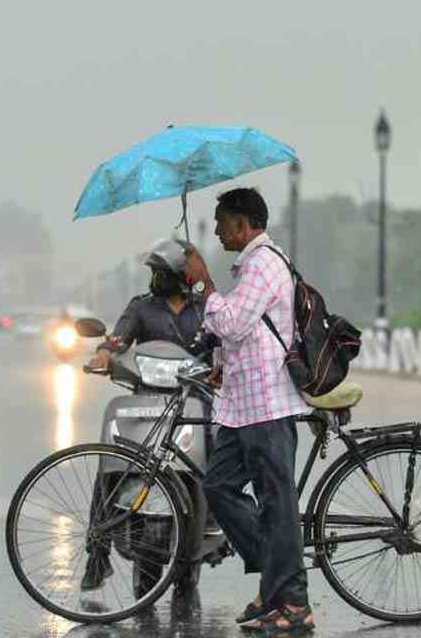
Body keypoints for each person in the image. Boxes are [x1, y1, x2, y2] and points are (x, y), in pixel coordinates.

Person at [183, 187, 315, 636]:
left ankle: (293, 602)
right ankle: (274, 578)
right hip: (242, 406)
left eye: (222, 221)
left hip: (267, 404)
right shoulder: (250, 266)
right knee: (217, 486)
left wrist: (202, 286)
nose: (217, 229)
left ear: (243, 223)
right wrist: (220, 363)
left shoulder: (263, 263)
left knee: (278, 505)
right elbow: (245, 333)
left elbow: (234, 322)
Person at [79, 237, 219, 591]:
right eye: (153, 272)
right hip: (146, 401)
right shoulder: (141, 308)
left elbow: (225, 343)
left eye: (161, 272)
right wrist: (104, 354)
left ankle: (217, 525)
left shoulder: (206, 309)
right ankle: (98, 553)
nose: (155, 279)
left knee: (220, 459)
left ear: (181, 275)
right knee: (109, 461)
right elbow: (117, 339)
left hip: (195, 400)